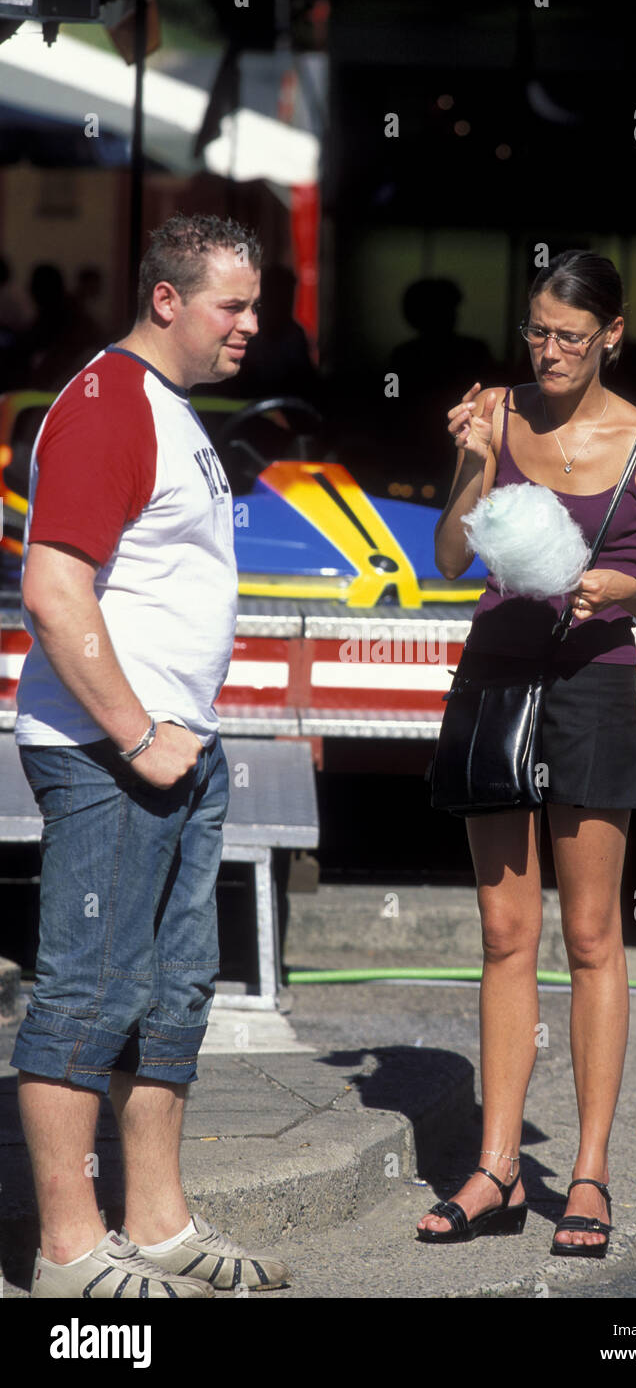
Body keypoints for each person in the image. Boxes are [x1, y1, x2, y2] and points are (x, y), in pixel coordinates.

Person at [12, 213, 290, 1298]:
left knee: (171, 995)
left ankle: (160, 1223)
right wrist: (134, 731)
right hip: (109, 750)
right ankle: (70, 1251)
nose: (252, 326)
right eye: (234, 304)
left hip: (174, 746)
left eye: (254, 304)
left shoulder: (168, 410)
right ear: (166, 299)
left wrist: (174, 738)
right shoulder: (107, 402)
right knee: (88, 996)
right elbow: (52, 585)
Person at [417, 250, 636, 1256]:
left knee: (587, 935)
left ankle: (585, 1172)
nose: (549, 351)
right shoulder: (492, 416)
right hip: (493, 670)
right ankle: (494, 1166)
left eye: (569, 336)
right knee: (501, 932)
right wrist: (479, 469)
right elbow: (449, 558)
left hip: (590, 683)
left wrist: (621, 593)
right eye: (536, 330)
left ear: (610, 335)